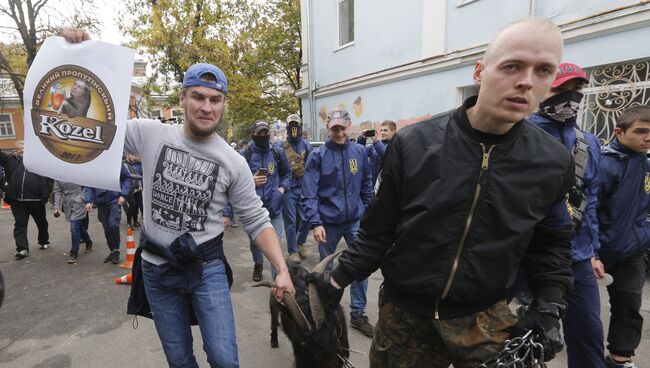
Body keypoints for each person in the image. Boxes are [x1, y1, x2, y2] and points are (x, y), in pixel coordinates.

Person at [307, 18, 575, 367]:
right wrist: (335, 279)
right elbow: (378, 230)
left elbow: (553, 242)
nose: (525, 81)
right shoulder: (414, 143)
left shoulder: (552, 161)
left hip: (486, 320)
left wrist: (550, 306)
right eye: (511, 66)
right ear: (480, 71)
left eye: (543, 71)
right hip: (404, 318)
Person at [62, 27, 294, 368]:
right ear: (182, 98)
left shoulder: (233, 161)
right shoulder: (149, 133)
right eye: (198, 97)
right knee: (180, 360)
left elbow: (258, 220)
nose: (206, 107)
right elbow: (90, 126)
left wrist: (282, 269)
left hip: (207, 268)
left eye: (214, 100)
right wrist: (77, 58)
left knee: (224, 360)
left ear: (222, 104)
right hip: (156, 268)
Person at [529, 62, 604, 368]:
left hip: (577, 258)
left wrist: (593, 251)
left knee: (588, 337)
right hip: (523, 258)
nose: (570, 98)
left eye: (577, 90)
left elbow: (593, 200)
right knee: (524, 340)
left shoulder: (590, 143)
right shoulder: (519, 136)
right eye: (561, 89)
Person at [302, 108, 375, 337]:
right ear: (328, 128)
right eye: (335, 128)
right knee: (326, 271)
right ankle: (327, 314)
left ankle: (357, 314)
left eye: (342, 127)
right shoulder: (318, 156)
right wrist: (315, 223)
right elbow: (309, 192)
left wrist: (372, 216)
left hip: (355, 220)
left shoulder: (360, 152)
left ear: (349, 125)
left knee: (360, 267)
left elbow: (366, 186)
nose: (339, 132)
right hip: (328, 223)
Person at [594, 106, 650, 368]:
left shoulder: (647, 164)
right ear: (619, 132)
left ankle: (620, 358)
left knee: (629, 304)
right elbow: (589, 209)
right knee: (574, 304)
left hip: (632, 251)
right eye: (641, 131)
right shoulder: (604, 164)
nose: (647, 137)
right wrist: (591, 251)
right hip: (595, 249)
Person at [243, 120, 291, 281]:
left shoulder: (277, 152)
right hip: (253, 209)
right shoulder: (245, 155)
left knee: (274, 245)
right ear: (253, 134)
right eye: (259, 133)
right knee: (255, 243)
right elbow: (235, 180)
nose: (263, 136)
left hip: (274, 207)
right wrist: (251, 180)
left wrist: (282, 190)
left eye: (266, 133)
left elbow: (287, 174)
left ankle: (276, 280)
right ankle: (258, 264)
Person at [0, 141, 52, 259]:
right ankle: (22, 249)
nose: (22, 152)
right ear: (15, 151)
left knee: (41, 222)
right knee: (20, 225)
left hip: (36, 201)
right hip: (18, 201)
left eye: (24, 149)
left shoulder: (38, 161)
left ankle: (43, 241)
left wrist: (47, 190)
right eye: (20, 150)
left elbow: (49, 175)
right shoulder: (9, 161)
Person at [279, 113, 312, 262]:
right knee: (290, 222)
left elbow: (312, 168)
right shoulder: (281, 147)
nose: (294, 128)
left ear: (299, 127)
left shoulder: (306, 146)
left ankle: (300, 243)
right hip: (289, 190)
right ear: (287, 127)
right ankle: (292, 251)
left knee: (306, 219)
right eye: (291, 125)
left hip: (304, 188)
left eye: (296, 125)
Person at [84, 164, 131, 264]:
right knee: (107, 228)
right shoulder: (93, 163)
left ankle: (116, 250)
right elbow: (89, 184)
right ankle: (112, 251)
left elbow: (127, 178)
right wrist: (88, 201)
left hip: (114, 200)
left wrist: (123, 194)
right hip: (101, 203)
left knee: (113, 225)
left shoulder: (115, 161)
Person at [53, 181, 94, 263]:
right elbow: (57, 191)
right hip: (67, 203)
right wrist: (57, 206)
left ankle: (74, 252)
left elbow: (88, 184)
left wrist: (86, 199)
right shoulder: (58, 173)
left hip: (79, 202)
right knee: (78, 226)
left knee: (74, 227)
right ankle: (88, 241)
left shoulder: (79, 168)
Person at [123, 154, 144, 228]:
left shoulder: (132, 164)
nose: (135, 157)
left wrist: (140, 186)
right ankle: (129, 222)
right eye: (133, 155)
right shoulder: (124, 164)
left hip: (137, 188)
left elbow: (136, 174)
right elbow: (129, 175)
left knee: (137, 205)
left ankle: (135, 221)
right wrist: (142, 177)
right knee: (132, 205)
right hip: (129, 188)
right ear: (127, 155)